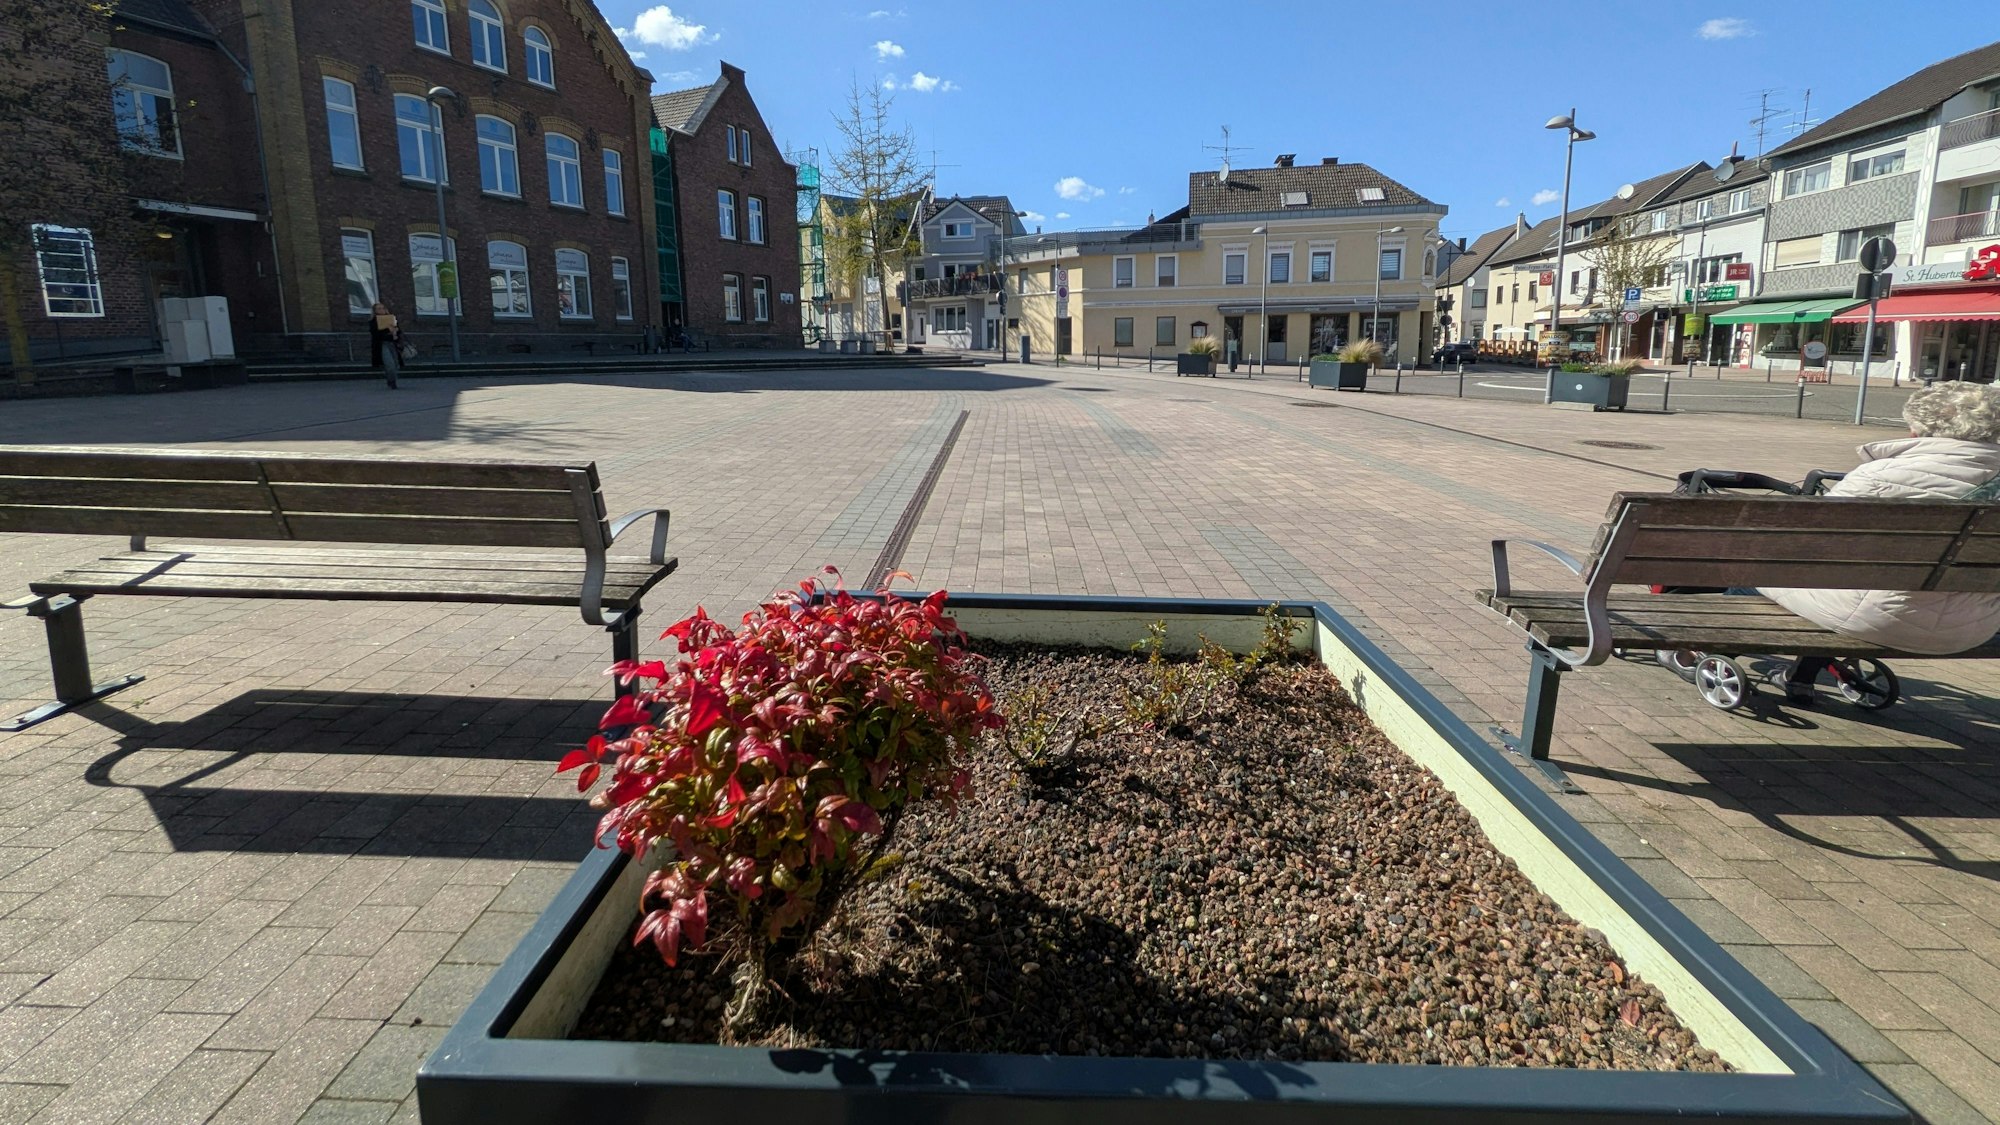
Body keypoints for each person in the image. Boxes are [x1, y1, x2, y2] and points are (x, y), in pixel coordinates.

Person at [1760, 380, 2000, 701]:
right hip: (1975, 627)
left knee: (1755, 571)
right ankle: (1800, 676)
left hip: (1876, 619)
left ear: (1919, 430)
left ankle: (1694, 648)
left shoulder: (1879, 476)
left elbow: (1811, 540)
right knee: (1847, 587)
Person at [369, 302, 402, 388]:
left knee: (395, 364)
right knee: (389, 364)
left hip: (393, 343)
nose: (382, 310)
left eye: (383, 308)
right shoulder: (373, 321)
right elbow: (375, 334)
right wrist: (387, 330)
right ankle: (392, 382)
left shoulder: (392, 318)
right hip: (382, 344)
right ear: (375, 311)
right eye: (379, 309)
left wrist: (395, 332)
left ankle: (391, 379)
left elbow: (399, 331)